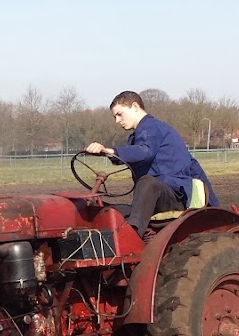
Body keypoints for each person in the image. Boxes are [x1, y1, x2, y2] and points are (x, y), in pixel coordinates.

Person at [85, 90, 219, 237]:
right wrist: (109, 154)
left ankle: (132, 236)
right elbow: (136, 154)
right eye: (114, 117)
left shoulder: (151, 127)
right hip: (158, 197)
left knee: (147, 182)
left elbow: (144, 151)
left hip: (174, 195)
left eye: (120, 114)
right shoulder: (137, 136)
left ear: (135, 107)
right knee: (108, 210)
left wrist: (109, 150)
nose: (117, 121)